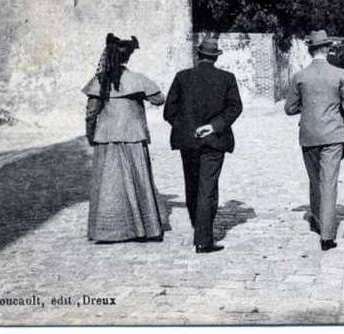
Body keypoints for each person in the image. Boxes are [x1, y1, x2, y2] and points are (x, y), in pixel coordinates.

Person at [163, 36, 243, 254]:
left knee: (192, 185)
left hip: (188, 141)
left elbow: (169, 111)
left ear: (198, 56)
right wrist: (213, 126)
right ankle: (203, 240)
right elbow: (235, 108)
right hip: (214, 140)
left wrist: (188, 129)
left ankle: (197, 227)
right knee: (208, 187)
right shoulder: (227, 78)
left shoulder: (182, 77)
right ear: (215, 58)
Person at [82, 33, 165, 243]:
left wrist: (91, 135)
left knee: (109, 185)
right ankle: (145, 227)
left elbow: (91, 112)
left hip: (107, 137)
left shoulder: (99, 81)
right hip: (133, 136)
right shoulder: (137, 79)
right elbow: (159, 99)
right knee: (138, 181)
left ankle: (108, 230)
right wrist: (138, 94)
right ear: (127, 57)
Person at [284, 30, 344, 251]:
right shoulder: (339, 74)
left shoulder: (300, 76)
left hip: (308, 135)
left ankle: (317, 221)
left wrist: (306, 107)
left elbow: (289, 108)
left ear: (310, 50)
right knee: (329, 182)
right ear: (327, 49)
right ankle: (327, 236)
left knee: (314, 180)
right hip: (333, 135)